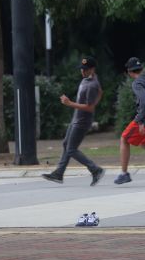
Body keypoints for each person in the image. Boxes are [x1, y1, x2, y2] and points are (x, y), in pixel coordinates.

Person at [42, 57, 105, 186]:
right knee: (66, 144)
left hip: (82, 121)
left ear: (92, 69)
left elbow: (90, 107)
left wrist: (69, 103)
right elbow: (101, 92)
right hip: (76, 118)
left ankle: (95, 170)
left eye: (86, 70)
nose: (83, 72)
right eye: (82, 69)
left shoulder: (92, 85)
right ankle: (59, 173)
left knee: (71, 149)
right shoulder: (90, 79)